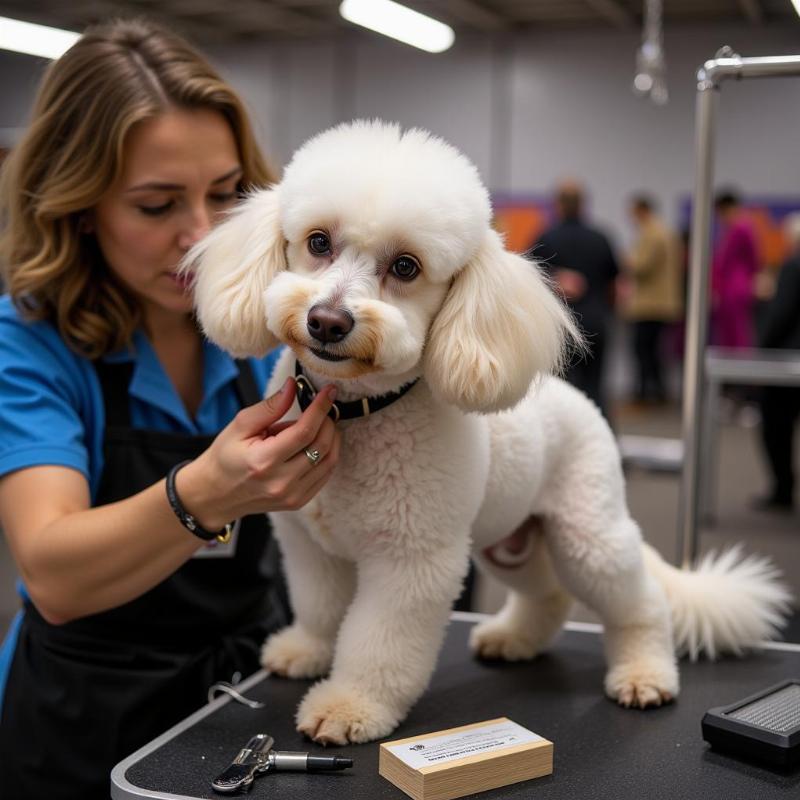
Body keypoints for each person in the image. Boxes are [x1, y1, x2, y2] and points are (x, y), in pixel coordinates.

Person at [0, 19, 341, 799]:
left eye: (226, 195)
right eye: (157, 205)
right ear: (80, 207)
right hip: (79, 721)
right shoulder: (27, 344)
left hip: (247, 697)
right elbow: (51, 570)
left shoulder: (273, 331)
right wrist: (205, 494)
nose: (200, 236)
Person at [532, 180, 619, 418]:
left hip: (561, 327)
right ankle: (604, 444)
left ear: (558, 205)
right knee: (596, 389)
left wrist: (556, 279)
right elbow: (615, 284)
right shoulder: (601, 238)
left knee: (558, 391)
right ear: (583, 205)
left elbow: (531, 282)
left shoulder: (546, 238)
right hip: (596, 322)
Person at [753, 212, 800, 512]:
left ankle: (783, 489)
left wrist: (762, 349)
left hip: (786, 361)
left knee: (776, 427)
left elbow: (780, 315)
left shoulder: (793, 266)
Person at [622, 194, 682, 404]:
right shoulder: (664, 231)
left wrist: (625, 259)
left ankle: (647, 394)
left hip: (650, 304)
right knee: (654, 351)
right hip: (661, 303)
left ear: (642, 210)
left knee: (644, 351)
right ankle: (656, 392)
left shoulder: (652, 233)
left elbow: (640, 266)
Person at [711, 189, 760, 350]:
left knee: (735, 334)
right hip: (732, 286)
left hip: (734, 288)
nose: (720, 219)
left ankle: (738, 369)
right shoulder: (734, 229)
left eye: (720, 213)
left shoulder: (740, 228)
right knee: (729, 332)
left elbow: (752, 259)